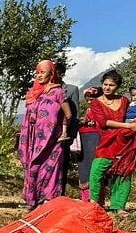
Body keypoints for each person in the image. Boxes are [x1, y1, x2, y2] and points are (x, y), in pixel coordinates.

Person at [88, 71, 136, 215]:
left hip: (125, 142)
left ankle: (118, 206)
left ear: (118, 86)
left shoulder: (124, 101)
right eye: (105, 84)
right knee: (96, 172)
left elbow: (133, 115)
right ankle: (94, 205)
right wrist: (128, 126)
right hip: (107, 143)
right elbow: (103, 122)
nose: (107, 87)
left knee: (123, 172)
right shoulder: (96, 102)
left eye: (111, 85)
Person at [18, 60, 72, 210]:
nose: (39, 75)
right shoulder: (33, 93)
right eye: (38, 72)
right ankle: (31, 199)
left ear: (51, 73)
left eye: (43, 72)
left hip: (51, 138)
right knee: (32, 165)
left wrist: (64, 131)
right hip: (32, 136)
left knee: (49, 167)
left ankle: (47, 199)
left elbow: (67, 114)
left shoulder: (58, 92)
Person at [57, 61, 80, 195]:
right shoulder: (43, 89)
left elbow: (75, 115)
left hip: (63, 135)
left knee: (62, 165)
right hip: (46, 136)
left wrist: (71, 135)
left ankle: (60, 194)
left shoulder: (71, 90)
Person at [77, 86, 103, 201]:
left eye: (91, 98)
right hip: (85, 139)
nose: (89, 101)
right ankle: (87, 199)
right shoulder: (89, 111)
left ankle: (95, 198)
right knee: (84, 167)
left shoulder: (101, 110)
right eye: (87, 99)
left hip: (94, 139)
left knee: (94, 168)